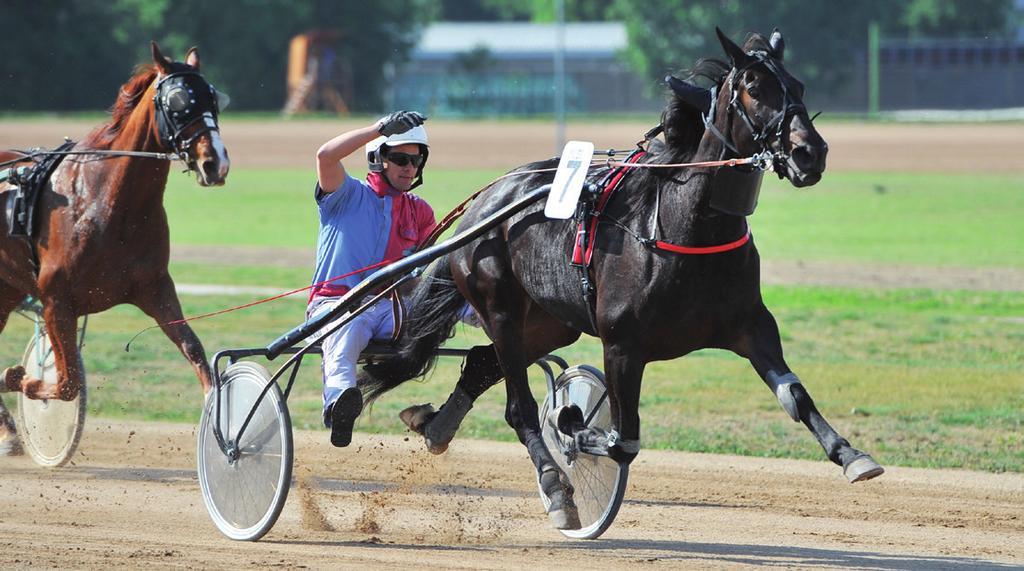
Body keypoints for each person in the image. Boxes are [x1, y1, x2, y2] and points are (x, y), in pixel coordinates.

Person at [309, 110, 436, 447]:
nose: (410, 168)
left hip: (392, 309)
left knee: (452, 301)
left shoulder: (420, 211)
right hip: (336, 304)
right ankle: (338, 403)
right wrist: (378, 129)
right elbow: (326, 155)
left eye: (416, 159)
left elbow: (427, 275)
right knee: (349, 325)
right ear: (378, 159)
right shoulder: (345, 194)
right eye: (400, 159)